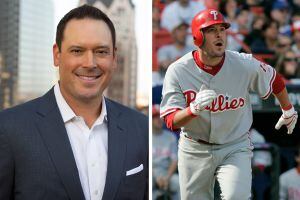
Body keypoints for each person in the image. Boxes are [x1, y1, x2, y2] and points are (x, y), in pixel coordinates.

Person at [0, 5, 148, 200]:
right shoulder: (9, 128)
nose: (89, 63)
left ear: (114, 58)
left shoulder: (140, 127)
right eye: (77, 51)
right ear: (57, 55)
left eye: (101, 51)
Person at [160, 9, 298, 199]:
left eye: (222, 29)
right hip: (195, 147)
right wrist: (192, 110)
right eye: (211, 30)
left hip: (234, 144)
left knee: (236, 197)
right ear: (197, 38)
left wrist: (288, 108)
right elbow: (170, 120)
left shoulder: (242, 63)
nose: (219, 35)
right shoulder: (178, 70)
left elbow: (275, 79)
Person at [152, 105, 179, 200]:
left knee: (178, 182)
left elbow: (174, 160)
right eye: (155, 117)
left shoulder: (171, 137)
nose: (158, 119)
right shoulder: (146, 135)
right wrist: (156, 176)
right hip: (151, 173)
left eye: (160, 116)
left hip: (167, 172)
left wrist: (167, 177)